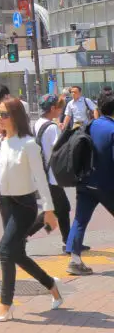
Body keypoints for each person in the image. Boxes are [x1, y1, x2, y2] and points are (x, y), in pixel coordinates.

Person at [0, 96, 62, 322]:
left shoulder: (28, 144)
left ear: (16, 117)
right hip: (5, 203)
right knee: (16, 254)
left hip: (24, 205)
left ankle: (5, 305)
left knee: (4, 250)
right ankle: (51, 284)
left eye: (4, 115)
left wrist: (49, 210)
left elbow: (40, 179)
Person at [64, 90, 114, 275]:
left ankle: (74, 260)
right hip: (107, 185)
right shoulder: (112, 129)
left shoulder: (89, 125)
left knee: (80, 220)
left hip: (85, 182)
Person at [25, 94, 73, 250]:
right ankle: (23, 235)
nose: (61, 111)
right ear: (53, 108)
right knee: (55, 208)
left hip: (43, 172)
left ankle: (68, 241)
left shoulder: (38, 123)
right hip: (52, 175)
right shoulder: (52, 127)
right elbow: (60, 149)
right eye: (60, 108)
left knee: (61, 208)